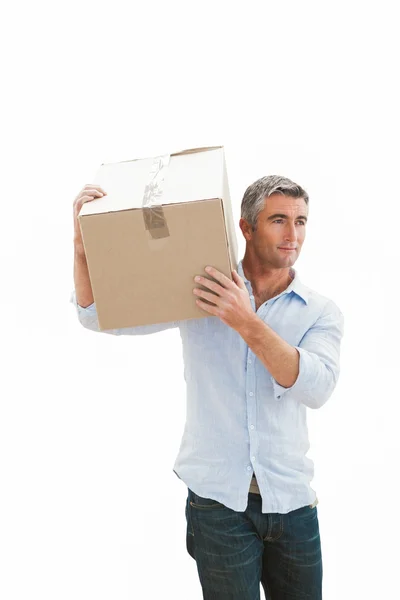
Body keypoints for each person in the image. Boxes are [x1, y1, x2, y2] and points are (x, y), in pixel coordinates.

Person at [71, 175, 344, 600]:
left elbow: (316, 387)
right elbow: (97, 316)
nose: (293, 235)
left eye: (301, 221)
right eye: (278, 220)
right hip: (218, 504)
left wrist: (244, 320)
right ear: (246, 228)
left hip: (292, 503)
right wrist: (83, 250)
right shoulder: (201, 289)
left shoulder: (321, 312)